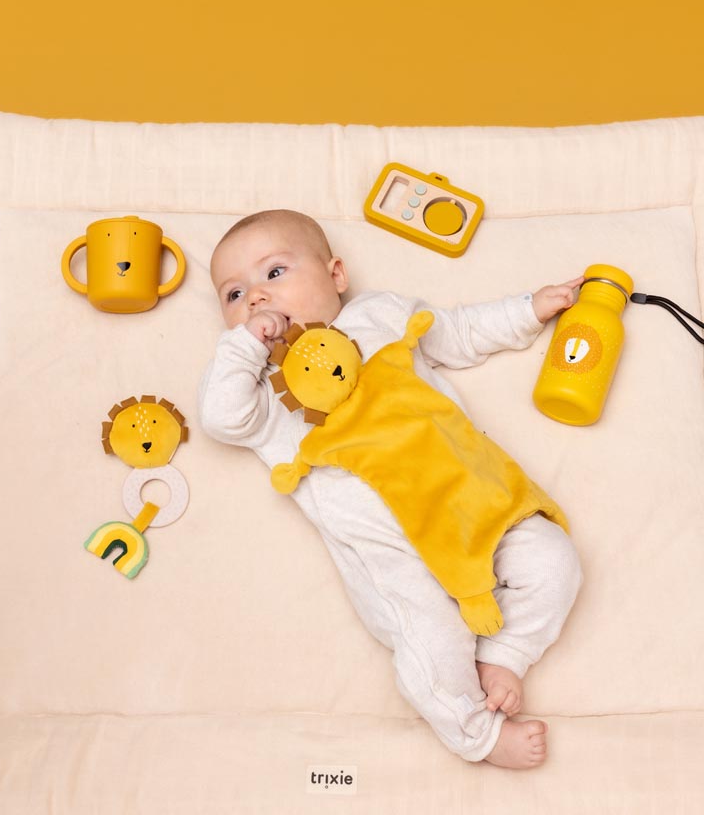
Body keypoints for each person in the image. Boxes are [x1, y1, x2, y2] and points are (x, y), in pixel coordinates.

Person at [199, 209, 584, 770]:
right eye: (234, 295)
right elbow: (220, 418)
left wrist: (528, 310)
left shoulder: (379, 316)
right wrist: (245, 348)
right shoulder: (261, 388)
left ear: (336, 275)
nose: (256, 297)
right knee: (433, 637)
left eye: (274, 273)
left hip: (470, 501)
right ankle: (475, 732)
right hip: (393, 554)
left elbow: (459, 332)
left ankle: (505, 655)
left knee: (554, 561)